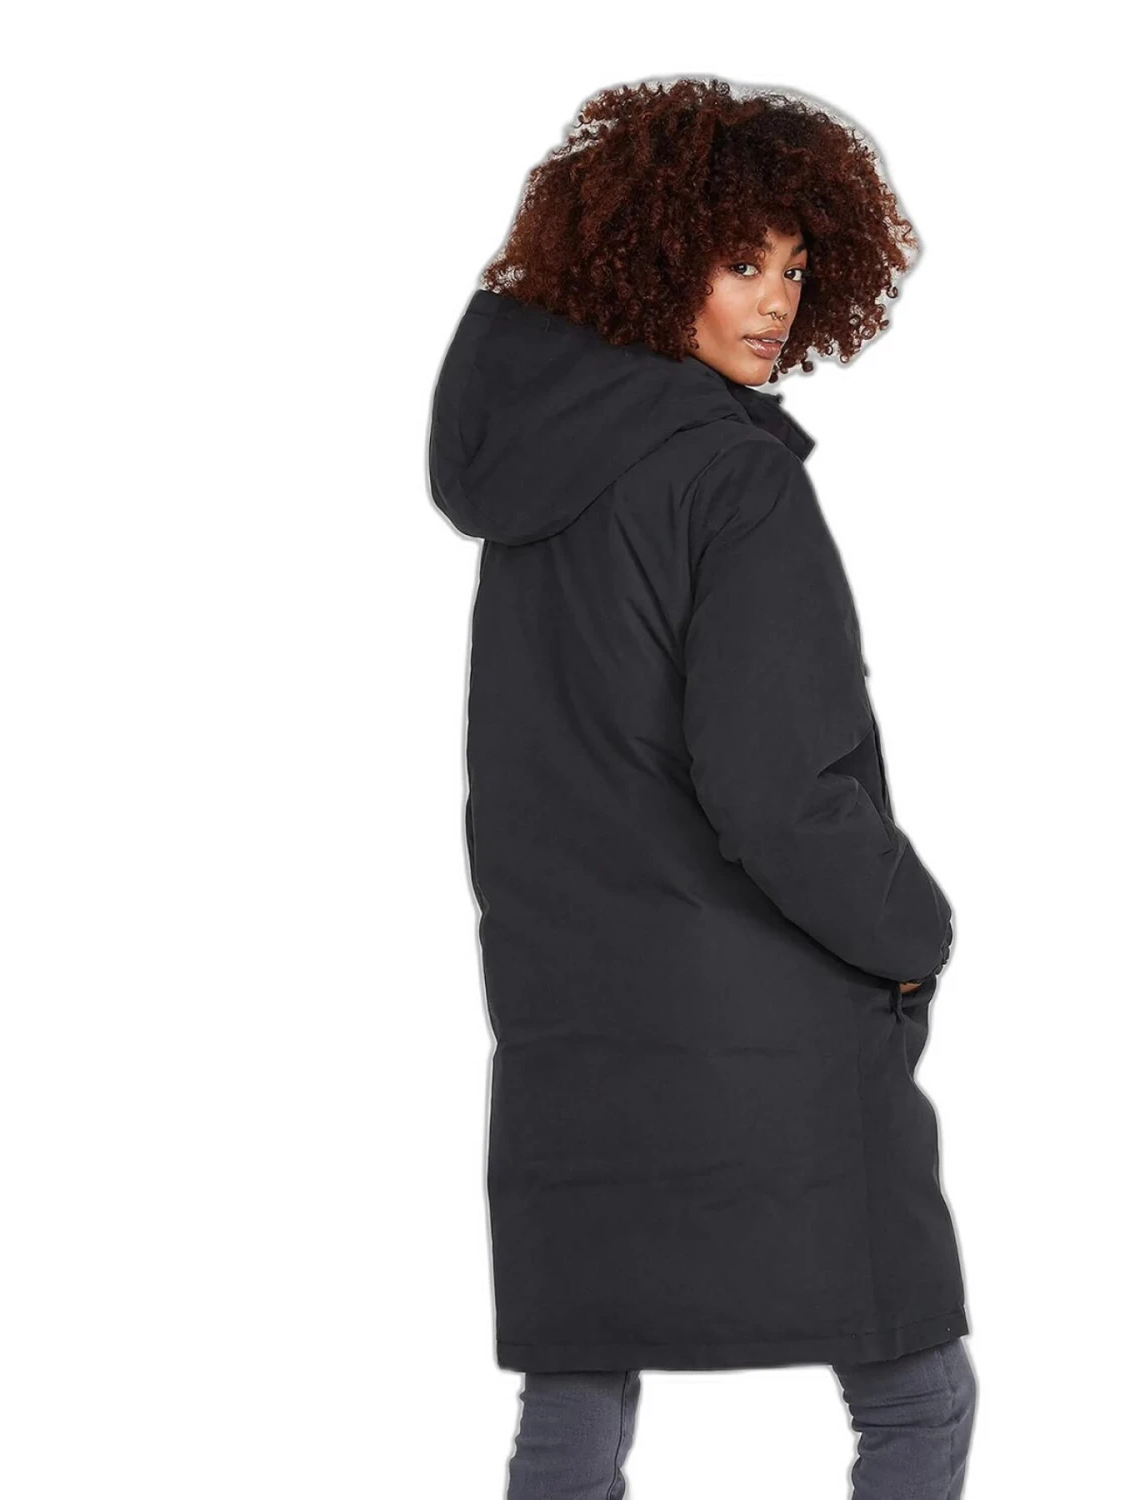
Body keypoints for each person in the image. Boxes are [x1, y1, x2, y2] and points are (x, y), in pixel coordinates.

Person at [427, 77, 976, 1497]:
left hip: (570, 1017)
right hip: (766, 1030)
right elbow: (775, 784)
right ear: (650, 258)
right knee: (916, 1393)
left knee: (578, 1393)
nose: (777, 302)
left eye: (796, 268)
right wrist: (912, 934)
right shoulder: (734, 481)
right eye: (742, 262)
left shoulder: (538, 493)